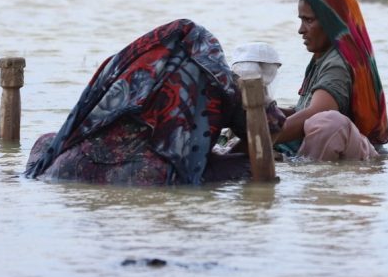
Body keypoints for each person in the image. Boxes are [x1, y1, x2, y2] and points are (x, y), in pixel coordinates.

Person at [25, 19, 284, 186]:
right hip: (143, 173)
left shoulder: (140, 67)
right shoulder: (222, 85)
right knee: (245, 168)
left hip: (66, 164)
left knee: (45, 138)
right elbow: (268, 130)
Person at [274, 0, 388, 160]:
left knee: (328, 123)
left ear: (332, 22)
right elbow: (302, 111)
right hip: (349, 147)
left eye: (309, 20)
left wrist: (258, 139)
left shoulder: (337, 63)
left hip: (354, 150)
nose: (301, 30)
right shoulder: (323, 57)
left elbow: (316, 114)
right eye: (301, 20)